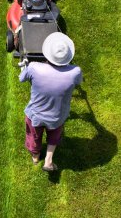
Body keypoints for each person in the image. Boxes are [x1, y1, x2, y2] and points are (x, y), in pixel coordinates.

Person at [19, 32, 82, 171]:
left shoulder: (34, 67)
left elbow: (21, 78)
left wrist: (25, 66)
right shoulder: (75, 72)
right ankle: (48, 160)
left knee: (34, 136)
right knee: (54, 135)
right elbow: (77, 82)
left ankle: (35, 156)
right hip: (57, 116)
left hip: (35, 115)